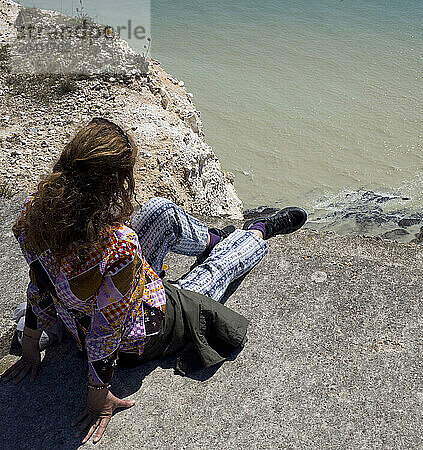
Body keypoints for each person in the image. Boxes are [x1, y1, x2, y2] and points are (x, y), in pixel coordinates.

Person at [0, 118, 307, 444]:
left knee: (160, 211)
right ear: (114, 181)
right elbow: (105, 330)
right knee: (215, 274)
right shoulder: (119, 242)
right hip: (146, 328)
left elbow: (41, 284)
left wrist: (30, 346)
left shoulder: (33, 213)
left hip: (103, 295)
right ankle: (257, 232)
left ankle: (212, 239)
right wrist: (98, 396)